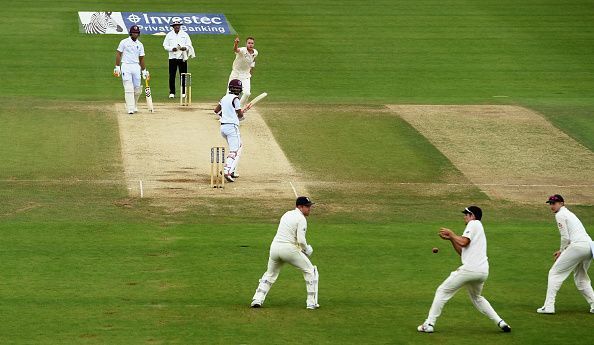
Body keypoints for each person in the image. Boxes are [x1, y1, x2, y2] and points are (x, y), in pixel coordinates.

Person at [418, 206, 511, 333]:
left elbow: (463, 242)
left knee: (442, 291)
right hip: (482, 272)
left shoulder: (473, 224)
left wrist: (452, 234)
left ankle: (429, 324)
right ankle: (501, 323)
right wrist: (451, 239)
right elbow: (463, 252)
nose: (464, 216)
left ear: (472, 215)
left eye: (466, 214)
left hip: (470, 270)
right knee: (477, 298)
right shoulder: (477, 228)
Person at [250, 196, 319, 309]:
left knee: (270, 274)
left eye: (309, 206)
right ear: (300, 207)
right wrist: (307, 249)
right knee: (311, 271)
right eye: (307, 206)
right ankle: (312, 303)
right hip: (288, 249)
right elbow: (301, 240)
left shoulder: (287, 214)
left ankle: (257, 299)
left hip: (275, 248)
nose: (309, 208)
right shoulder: (301, 219)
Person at [537, 194, 594, 314]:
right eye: (550, 203)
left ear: (562, 203)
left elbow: (565, 237)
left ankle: (549, 307)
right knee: (581, 278)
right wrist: (562, 250)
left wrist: (562, 251)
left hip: (578, 246)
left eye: (554, 203)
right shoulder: (569, 213)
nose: (552, 206)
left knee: (554, 273)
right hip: (589, 247)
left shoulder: (560, 214)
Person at [213, 79, 251, 182]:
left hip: (223, 127)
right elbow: (240, 115)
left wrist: (226, 116)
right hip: (232, 128)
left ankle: (232, 170)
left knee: (234, 148)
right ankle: (227, 170)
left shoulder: (224, 97)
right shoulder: (236, 99)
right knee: (237, 149)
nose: (237, 90)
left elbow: (216, 111)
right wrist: (243, 114)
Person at [114, 25, 150, 114]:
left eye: (137, 33)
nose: (135, 34)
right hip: (126, 66)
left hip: (136, 66)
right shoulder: (124, 42)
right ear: (130, 33)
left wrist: (144, 71)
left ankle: (134, 105)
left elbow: (141, 58)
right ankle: (130, 107)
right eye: (134, 33)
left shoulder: (140, 45)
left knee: (137, 89)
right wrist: (117, 67)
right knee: (128, 87)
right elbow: (119, 54)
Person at [162, 19, 194, 98]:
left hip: (182, 57)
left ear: (180, 26)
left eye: (178, 26)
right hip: (172, 57)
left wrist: (185, 48)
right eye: (175, 26)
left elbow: (189, 44)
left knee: (183, 75)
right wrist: (172, 49)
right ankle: (172, 92)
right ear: (173, 27)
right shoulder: (169, 35)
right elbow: (165, 45)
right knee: (172, 75)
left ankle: (183, 92)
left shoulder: (185, 34)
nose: (177, 27)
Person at [228, 36, 258, 107]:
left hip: (245, 76)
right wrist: (236, 43)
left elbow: (253, 61)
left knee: (247, 93)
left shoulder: (255, 52)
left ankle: (239, 108)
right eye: (249, 43)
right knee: (229, 93)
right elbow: (235, 50)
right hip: (235, 74)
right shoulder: (243, 50)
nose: (250, 44)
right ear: (246, 44)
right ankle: (224, 111)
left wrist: (251, 71)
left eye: (252, 43)